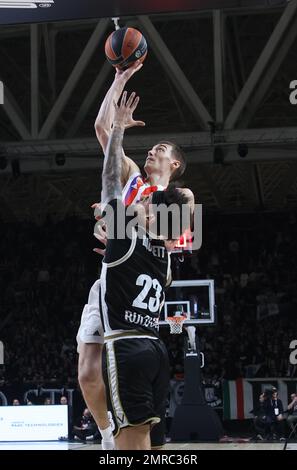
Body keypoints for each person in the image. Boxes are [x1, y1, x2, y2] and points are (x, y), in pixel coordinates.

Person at [77, 63, 194, 449]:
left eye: (160, 150)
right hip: (114, 278)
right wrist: (119, 79)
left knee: (127, 370)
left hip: (140, 292)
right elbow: (102, 131)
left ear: (174, 164)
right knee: (88, 373)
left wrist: (120, 226)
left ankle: (129, 435)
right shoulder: (133, 179)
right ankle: (108, 434)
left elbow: (173, 243)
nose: (151, 151)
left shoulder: (180, 199)